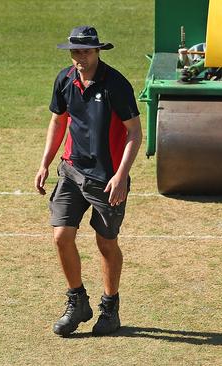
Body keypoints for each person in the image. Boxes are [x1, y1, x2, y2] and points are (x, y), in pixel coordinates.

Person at [34, 25, 142, 337]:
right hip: (70, 171)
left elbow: (134, 132)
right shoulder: (65, 79)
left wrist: (121, 175)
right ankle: (77, 302)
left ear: (97, 51)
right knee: (61, 236)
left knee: (106, 243)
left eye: (86, 50)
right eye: (75, 51)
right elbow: (58, 121)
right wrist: (44, 163)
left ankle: (110, 309)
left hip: (107, 179)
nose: (80, 57)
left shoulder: (115, 85)